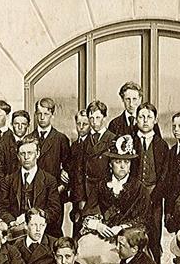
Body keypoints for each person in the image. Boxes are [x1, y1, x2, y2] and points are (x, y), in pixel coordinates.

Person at [77, 135, 151, 264]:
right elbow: (88, 212)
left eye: (126, 162)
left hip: (128, 236)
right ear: (110, 164)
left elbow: (144, 219)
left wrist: (122, 228)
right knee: (85, 248)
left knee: (119, 253)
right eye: (118, 162)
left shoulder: (138, 188)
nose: (123, 166)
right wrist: (98, 226)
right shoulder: (101, 185)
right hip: (102, 233)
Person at [0, 136, 62, 237]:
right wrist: (12, 222)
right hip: (16, 233)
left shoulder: (50, 180)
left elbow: (55, 210)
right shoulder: (8, 180)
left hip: (43, 232)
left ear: (38, 154)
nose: (26, 157)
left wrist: (36, 218)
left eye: (30, 153)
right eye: (23, 154)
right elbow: (1, 208)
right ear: (18, 156)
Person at [130, 102, 169, 264]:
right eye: (141, 117)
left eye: (149, 117)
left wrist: (154, 197)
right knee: (133, 240)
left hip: (155, 200)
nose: (145, 120)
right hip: (133, 198)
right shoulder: (130, 142)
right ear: (136, 120)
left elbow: (165, 176)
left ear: (155, 120)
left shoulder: (162, 145)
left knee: (154, 239)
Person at [26, 98, 72, 236]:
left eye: (46, 114)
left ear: (52, 115)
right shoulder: (29, 138)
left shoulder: (60, 139)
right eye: (39, 113)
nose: (42, 117)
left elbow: (69, 167)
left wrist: (61, 187)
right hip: (34, 194)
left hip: (55, 195)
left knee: (53, 233)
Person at [76, 100, 116, 209]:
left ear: (104, 117)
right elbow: (79, 172)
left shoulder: (112, 139)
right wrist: (81, 198)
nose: (94, 122)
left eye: (98, 118)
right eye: (91, 118)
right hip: (88, 192)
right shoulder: (84, 141)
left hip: (106, 193)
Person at [68, 110, 91, 238]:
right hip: (76, 197)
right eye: (78, 123)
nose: (81, 127)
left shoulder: (91, 145)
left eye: (85, 124)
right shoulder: (75, 145)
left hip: (88, 197)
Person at [0, 109, 31, 184]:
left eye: (23, 124)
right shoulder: (3, 143)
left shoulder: (33, 143)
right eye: (16, 124)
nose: (20, 127)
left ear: (28, 125)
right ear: (11, 124)